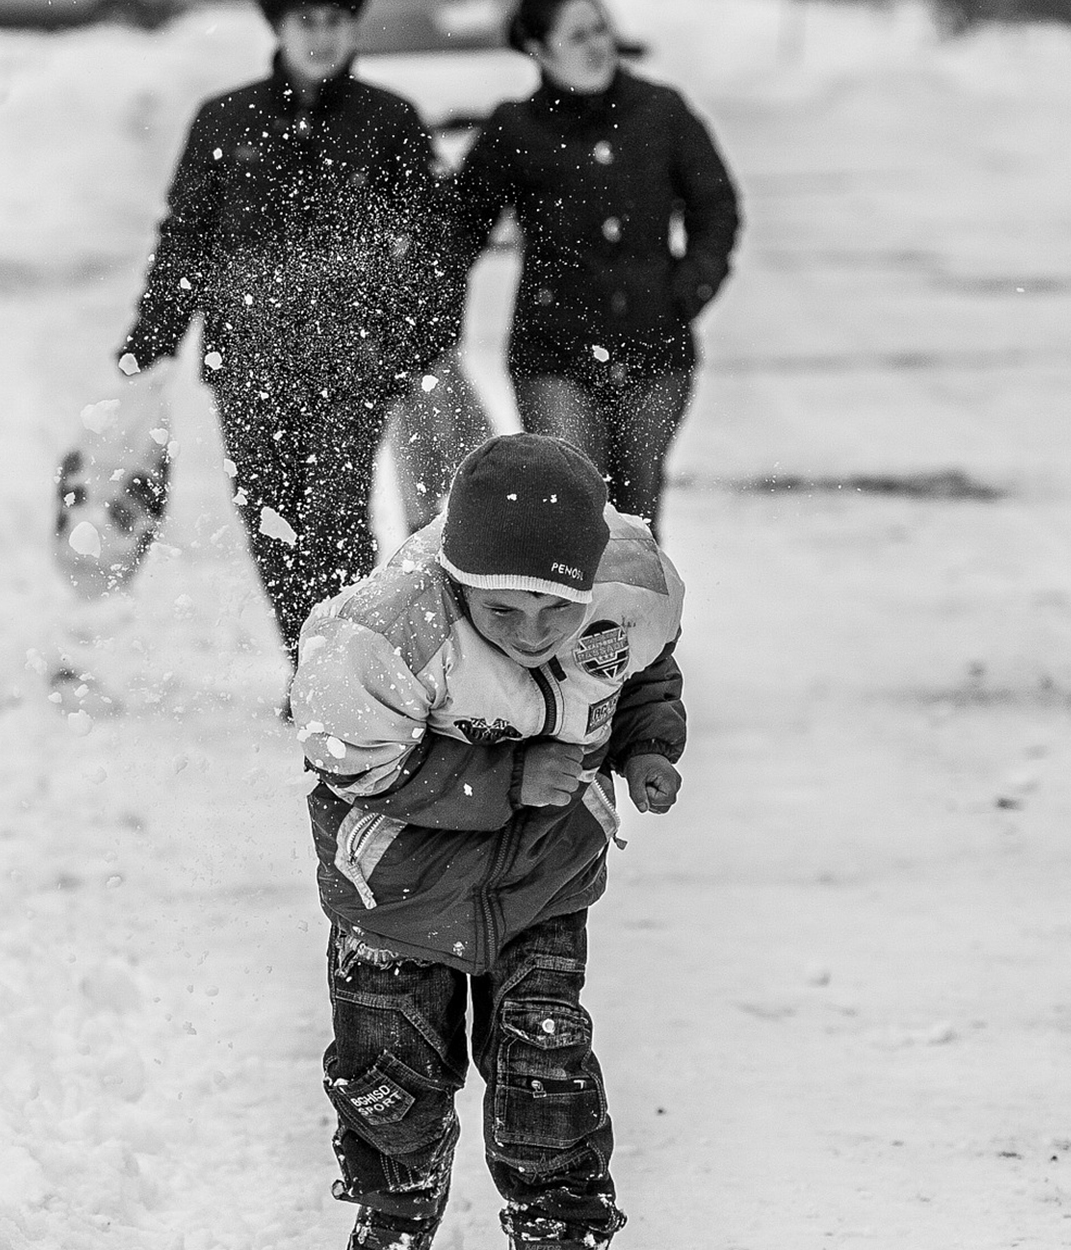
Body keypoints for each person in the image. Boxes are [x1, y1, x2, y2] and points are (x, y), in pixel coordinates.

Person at [289, 434, 688, 1250]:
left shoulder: (625, 593)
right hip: (398, 898)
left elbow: (642, 671)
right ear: (458, 582)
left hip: (545, 880)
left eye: (557, 610)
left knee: (548, 1085)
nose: (532, 633)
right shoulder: (388, 634)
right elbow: (350, 766)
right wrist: (502, 780)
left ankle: (561, 1228)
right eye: (502, 611)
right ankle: (393, 1220)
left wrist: (647, 746)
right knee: (395, 1096)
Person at [117, 0, 463, 676]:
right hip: (248, 364)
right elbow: (187, 237)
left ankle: (348, 672)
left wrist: (416, 339)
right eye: (307, 20)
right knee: (272, 522)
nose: (322, 35)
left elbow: (429, 244)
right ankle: (310, 665)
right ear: (277, 26)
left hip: (352, 365)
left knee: (335, 520)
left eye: (335, 19)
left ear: (353, 27)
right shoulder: (225, 118)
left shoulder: (389, 121)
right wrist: (153, 336)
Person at [449, 0, 740, 539]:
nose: (597, 44)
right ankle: (573, 623)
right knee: (575, 507)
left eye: (601, 29)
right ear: (539, 49)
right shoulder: (516, 128)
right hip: (554, 354)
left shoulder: (662, 111)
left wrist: (687, 290)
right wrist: (418, 305)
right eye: (578, 35)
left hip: (655, 350)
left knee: (638, 515)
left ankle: (637, 622)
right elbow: (459, 229)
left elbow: (716, 207)